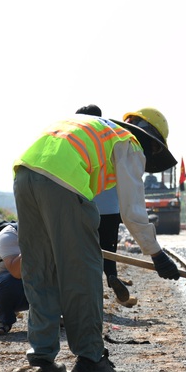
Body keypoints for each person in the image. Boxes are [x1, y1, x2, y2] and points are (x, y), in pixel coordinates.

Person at [13, 107, 181, 372]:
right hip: (62, 182)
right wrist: (157, 255)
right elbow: (133, 210)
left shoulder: (94, 127)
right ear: (153, 143)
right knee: (83, 274)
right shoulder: (129, 142)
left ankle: (43, 359)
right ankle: (91, 360)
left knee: (39, 270)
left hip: (25, 173)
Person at [76, 105, 130, 303]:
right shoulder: (113, 136)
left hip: (88, 205)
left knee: (87, 250)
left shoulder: (78, 138)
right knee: (109, 248)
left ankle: (92, 290)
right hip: (111, 206)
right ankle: (111, 274)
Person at [0, 222, 29, 336]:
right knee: (7, 282)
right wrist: (33, 244)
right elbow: (16, 272)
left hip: (32, 287)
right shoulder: (8, 236)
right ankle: (5, 320)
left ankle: (53, 315)